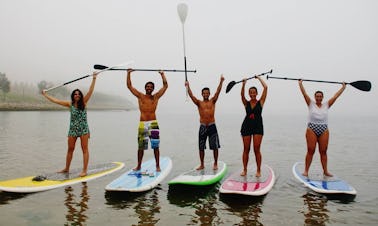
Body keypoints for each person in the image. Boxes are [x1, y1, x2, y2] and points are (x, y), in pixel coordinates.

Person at [41, 72, 98, 177]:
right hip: (72, 130)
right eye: (75, 94)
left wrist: (94, 78)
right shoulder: (70, 104)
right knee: (70, 149)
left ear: (80, 96)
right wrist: (45, 95)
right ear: (73, 96)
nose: (77, 95)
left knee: (84, 149)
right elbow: (56, 101)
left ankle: (84, 170)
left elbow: (90, 91)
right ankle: (66, 168)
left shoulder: (84, 102)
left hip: (83, 129)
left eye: (78, 94)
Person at [299, 80, 346, 177]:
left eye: (320, 96)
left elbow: (336, 96)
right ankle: (306, 171)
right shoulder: (311, 104)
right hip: (312, 128)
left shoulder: (327, 105)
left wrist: (343, 87)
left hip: (324, 129)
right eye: (317, 96)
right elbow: (304, 94)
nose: (319, 98)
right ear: (315, 97)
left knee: (323, 151)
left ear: (322, 97)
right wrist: (300, 84)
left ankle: (325, 171)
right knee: (311, 150)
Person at [126, 69, 168, 172]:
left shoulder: (156, 97)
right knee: (141, 147)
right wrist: (128, 73)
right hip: (143, 124)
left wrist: (162, 74)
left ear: (153, 89)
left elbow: (165, 86)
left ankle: (157, 166)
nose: (149, 88)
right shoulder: (140, 96)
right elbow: (129, 86)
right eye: (147, 86)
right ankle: (139, 166)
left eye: (151, 87)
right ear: (145, 88)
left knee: (155, 146)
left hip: (153, 124)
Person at [185, 75, 225, 170]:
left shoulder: (213, 101)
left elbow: (218, 92)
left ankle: (215, 163)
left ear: (209, 94)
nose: (206, 94)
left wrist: (221, 82)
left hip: (212, 125)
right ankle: (202, 164)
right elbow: (191, 95)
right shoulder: (199, 103)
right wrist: (187, 86)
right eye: (204, 93)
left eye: (207, 93)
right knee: (201, 147)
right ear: (202, 94)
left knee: (215, 146)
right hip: (203, 126)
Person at [240, 75, 267, 177]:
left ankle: (258, 170)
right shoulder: (246, 103)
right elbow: (241, 95)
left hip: (258, 127)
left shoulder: (261, 102)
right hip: (246, 126)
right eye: (250, 93)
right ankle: (245, 170)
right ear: (249, 94)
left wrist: (259, 78)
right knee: (246, 149)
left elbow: (266, 87)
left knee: (256, 149)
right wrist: (243, 84)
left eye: (254, 92)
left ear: (256, 93)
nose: (252, 94)